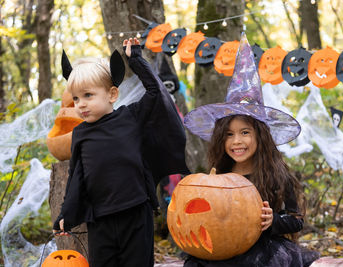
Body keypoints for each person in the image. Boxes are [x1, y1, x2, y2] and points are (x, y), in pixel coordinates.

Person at [182, 33, 320, 267]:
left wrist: (273, 221)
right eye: (229, 134)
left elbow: (296, 220)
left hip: (261, 250)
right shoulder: (219, 175)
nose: (237, 141)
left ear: (260, 136)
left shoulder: (277, 174)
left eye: (245, 132)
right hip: (223, 246)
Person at [52, 38, 189, 267]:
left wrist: (135, 59)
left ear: (112, 94)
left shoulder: (130, 117)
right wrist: (66, 213)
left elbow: (155, 92)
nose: (80, 104)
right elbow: (77, 175)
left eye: (88, 95)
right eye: (76, 98)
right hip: (100, 219)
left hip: (136, 212)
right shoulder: (80, 134)